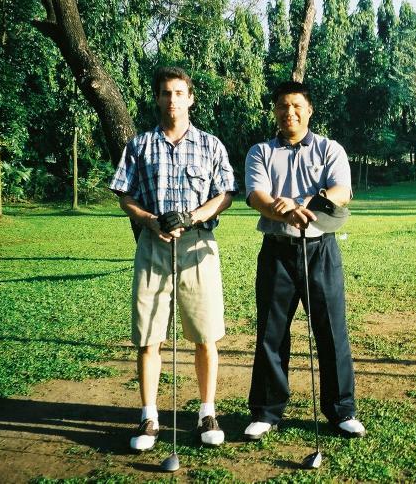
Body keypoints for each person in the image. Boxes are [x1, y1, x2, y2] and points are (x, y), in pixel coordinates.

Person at [109, 66, 237, 451]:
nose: (172, 100)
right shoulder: (139, 145)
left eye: (179, 93)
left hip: (198, 246)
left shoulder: (211, 144)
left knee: (205, 335)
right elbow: (124, 193)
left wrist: (194, 215)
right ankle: (149, 417)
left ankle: (206, 412)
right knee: (149, 338)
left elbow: (226, 192)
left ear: (190, 98)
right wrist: (150, 220)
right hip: (153, 247)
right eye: (165, 93)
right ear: (158, 98)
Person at [242, 81, 365, 441]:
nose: (289, 112)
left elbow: (343, 192)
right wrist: (281, 210)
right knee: (271, 333)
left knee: (331, 332)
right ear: (275, 111)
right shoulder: (260, 151)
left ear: (309, 110)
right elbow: (257, 196)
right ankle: (266, 412)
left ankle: (342, 411)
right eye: (282, 106)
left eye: (297, 105)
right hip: (277, 251)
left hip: (320, 249)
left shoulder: (330, 148)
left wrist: (314, 200)